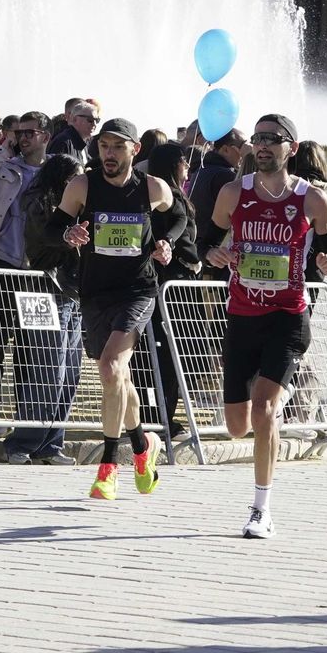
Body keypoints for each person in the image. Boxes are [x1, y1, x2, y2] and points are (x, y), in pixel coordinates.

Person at [201, 114, 327, 539]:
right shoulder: (233, 193)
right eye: (257, 138)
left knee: (263, 410)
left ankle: (261, 510)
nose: (262, 145)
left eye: (272, 139)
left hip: (288, 316)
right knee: (237, 426)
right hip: (242, 316)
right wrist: (213, 255)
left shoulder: (313, 199)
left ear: (291, 148)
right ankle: (273, 400)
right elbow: (205, 241)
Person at [51, 118, 178, 500]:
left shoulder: (153, 187)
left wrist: (167, 242)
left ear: (134, 150)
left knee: (110, 367)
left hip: (137, 291)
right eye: (104, 145)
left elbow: (179, 215)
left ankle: (108, 467)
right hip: (95, 292)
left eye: (117, 147)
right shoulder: (82, 186)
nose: (109, 153)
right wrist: (68, 233)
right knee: (117, 377)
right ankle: (143, 446)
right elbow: (53, 226)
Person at [0, 111, 51, 440]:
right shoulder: (6, 164)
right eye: (18, 132)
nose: (22, 138)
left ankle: (27, 411)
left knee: (31, 342)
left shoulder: (55, 171)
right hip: (2, 260)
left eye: (29, 133)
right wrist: (1, 151)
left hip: (37, 269)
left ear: (45, 136)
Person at [15, 154, 85, 465]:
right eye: (74, 177)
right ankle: (22, 442)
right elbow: (43, 239)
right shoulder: (39, 201)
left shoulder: (78, 204)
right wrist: (69, 237)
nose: (79, 183)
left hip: (72, 290)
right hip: (41, 288)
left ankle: (52, 443)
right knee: (47, 369)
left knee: (70, 372)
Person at [139, 141, 202, 439]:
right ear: (174, 164)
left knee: (164, 354)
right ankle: (160, 417)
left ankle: (158, 415)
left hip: (174, 282)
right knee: (167, 354)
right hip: (170, 284)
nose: (188, 167)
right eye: (184, 162)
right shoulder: (165, 197)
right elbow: (175, 229)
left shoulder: (168, 194)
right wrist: (182, 253)